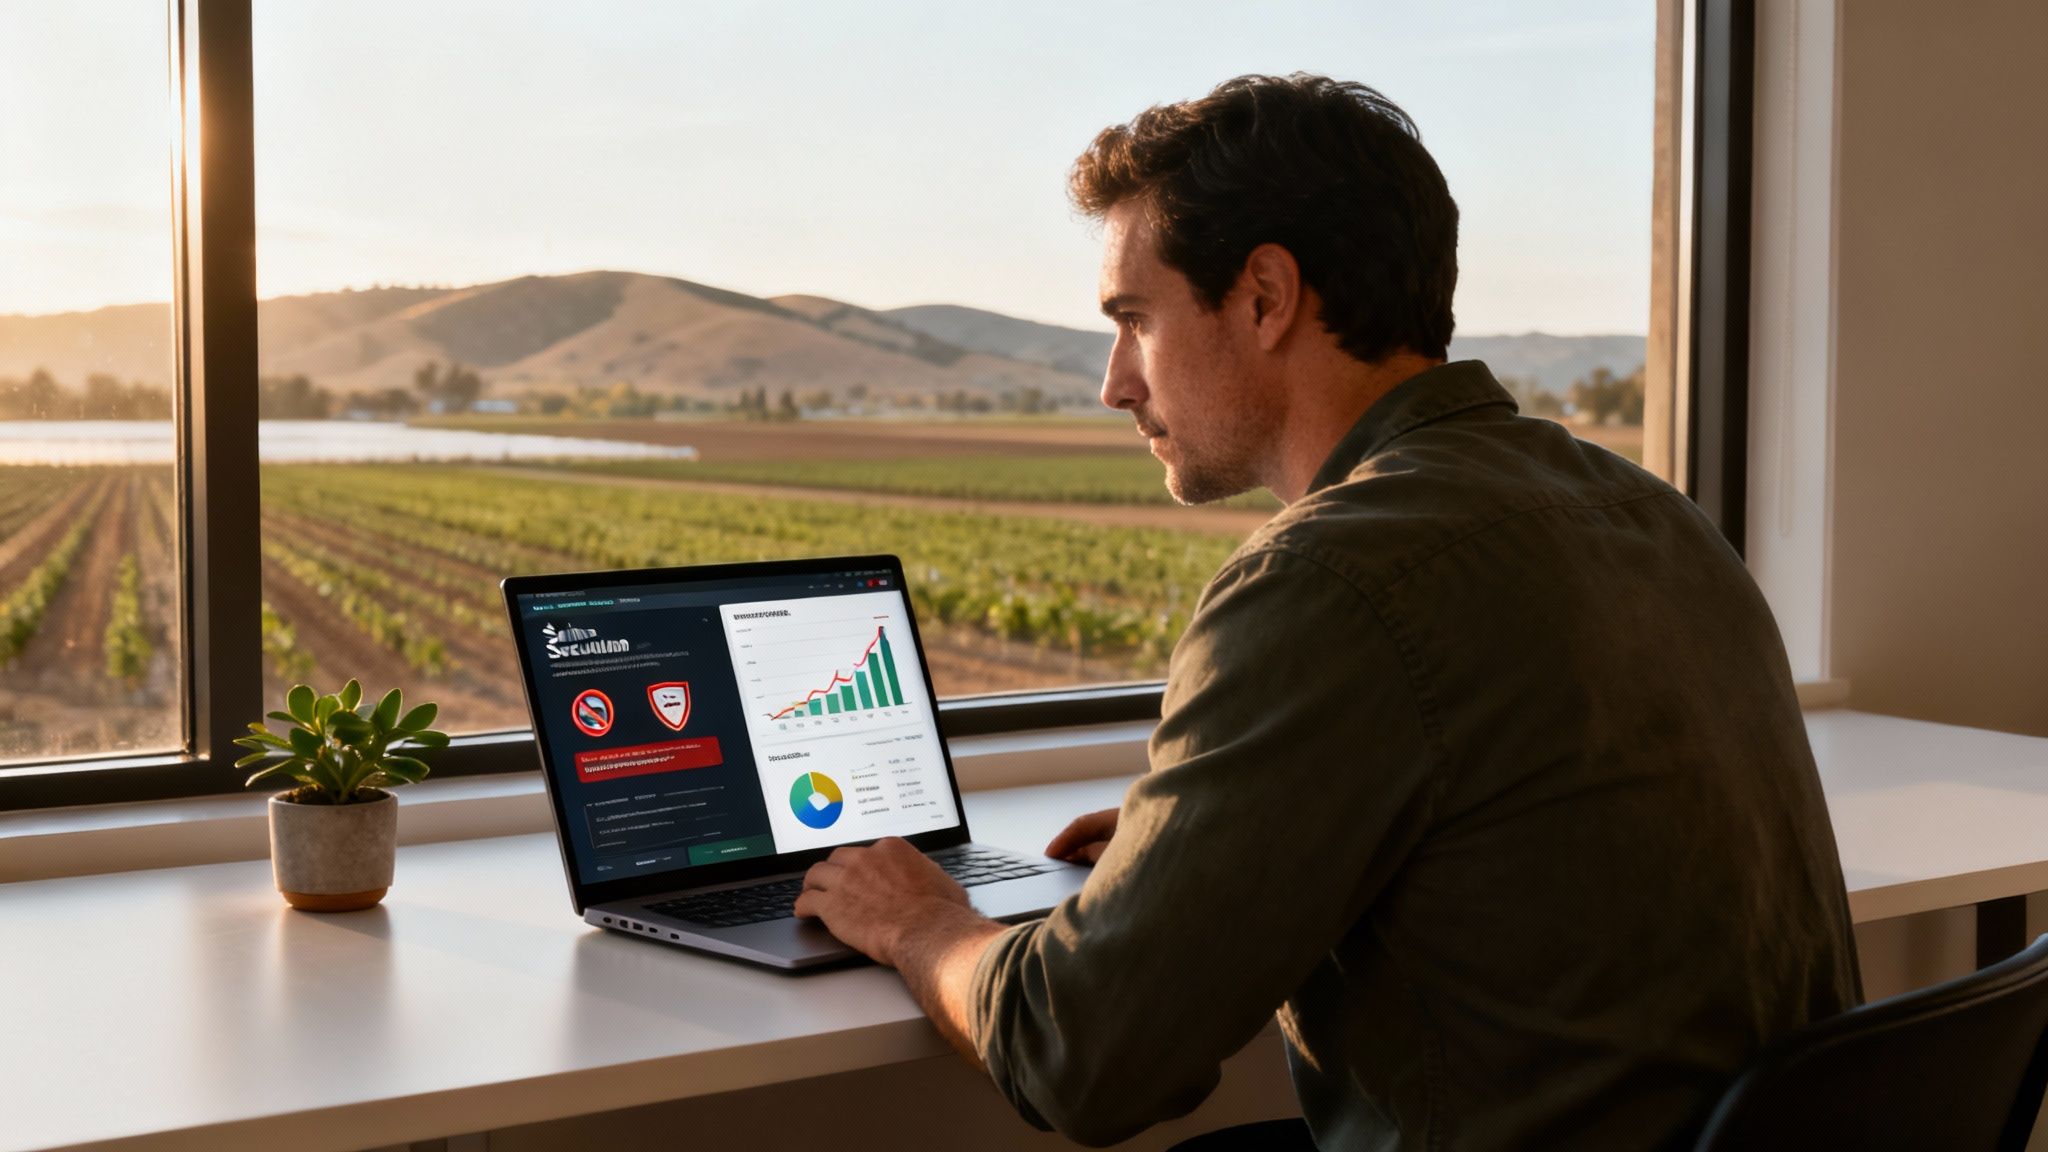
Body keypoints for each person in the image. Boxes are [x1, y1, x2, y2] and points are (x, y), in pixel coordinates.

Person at [793, 73, 1860, 1150]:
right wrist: (1238, 833)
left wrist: (921, 921)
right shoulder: (1649, 512)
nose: (1113, 382)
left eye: (1132, 319)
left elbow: (1086, 1056)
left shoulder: (1328, 579)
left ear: (1264, 295)